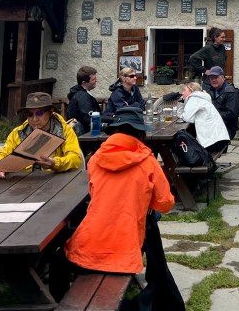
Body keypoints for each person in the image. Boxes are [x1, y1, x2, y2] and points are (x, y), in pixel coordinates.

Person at [63, 106, 175, 274]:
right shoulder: (148, 162)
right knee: (150, 218)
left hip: (88, 245)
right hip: (124, 250)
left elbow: (96, 195)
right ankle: (159, 279)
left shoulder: (95, 160)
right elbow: (165, 204)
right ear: (141, 134)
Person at [0, 92, 81, 177]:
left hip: (55, 179)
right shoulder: (18, 132)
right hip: (24, 180)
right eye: (30, 114)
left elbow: (75, 158)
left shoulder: (65, 131)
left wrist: (54, 163)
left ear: (50, 112)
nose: (34, 119)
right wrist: (0, 167)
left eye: (39, 113)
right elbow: (2, 154)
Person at [178, 81, 230, 154]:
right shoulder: (202, 98)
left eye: (184, 90)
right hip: (221, 139)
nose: (182, 93)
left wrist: (182, 112)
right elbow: (190, 118)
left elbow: (187, 118)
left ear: (191, 91)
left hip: (212, 142)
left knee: (182, 146)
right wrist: (182, 102)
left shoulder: (194, 99)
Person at [205, 65, 239, 139]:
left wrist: (212, 115)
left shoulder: (231, 92)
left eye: (216, 77)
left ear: (223, 78)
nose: (213, 80)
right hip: (213, 126)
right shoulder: (210, 91)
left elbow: (231, 115)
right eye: (211, 78)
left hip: (226, 128)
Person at [66, 66, 100, 133]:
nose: (96, 80)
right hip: (83, 135)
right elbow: (89, 118)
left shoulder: (81, 94)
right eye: (93, 79)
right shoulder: (83, 96)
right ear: (84, 82)